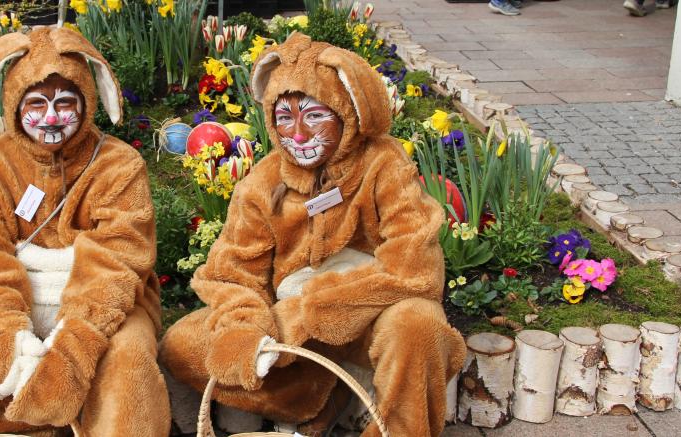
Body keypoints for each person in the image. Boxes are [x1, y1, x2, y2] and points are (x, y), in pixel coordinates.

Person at [159, 33, 466, 437]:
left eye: (314, 114)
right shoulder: (262, 183)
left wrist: (310, 312)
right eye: (284, 117)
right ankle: (317, 396)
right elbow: (233, 274)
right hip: (291, 336)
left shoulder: (384, 164)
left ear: (349, 111)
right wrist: (246, 326)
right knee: (182, 344)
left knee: (420, 325)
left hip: (373, 316)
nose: (298, 134)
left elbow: (415, 269)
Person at [0, 27, 170, 436]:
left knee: (127, 364)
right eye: (36, 104)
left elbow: (119, 260)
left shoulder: (119, 164)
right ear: (13, 105)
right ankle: (29, 427)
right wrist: (2, 329)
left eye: (65, 103)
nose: (50, 117)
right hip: (16, 301)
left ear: (87, 101)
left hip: (102, 310)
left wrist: (76, 343)